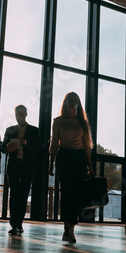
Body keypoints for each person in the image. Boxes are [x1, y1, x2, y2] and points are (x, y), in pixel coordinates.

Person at [48, 92, 94, 243]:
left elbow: (87, 145)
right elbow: (54, 145)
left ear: (78, 104)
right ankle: (66, 228)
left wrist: (90, 165)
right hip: (64, 156)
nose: (72, 103)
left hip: (79, 158)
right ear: (65, 102)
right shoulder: (58, 121)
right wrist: (51, 165)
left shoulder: (82, 122)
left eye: (75, 101)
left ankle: (71, 229)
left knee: (76, 194)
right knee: (66, 193)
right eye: (70, 100)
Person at [1, 105, 41, 236]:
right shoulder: (10, 129)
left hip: (28, 166)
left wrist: (25, 141)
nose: (19, 116)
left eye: (22, 113)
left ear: (26, 114)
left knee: (23, 195)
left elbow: (38, 147)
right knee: (14, 194)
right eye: (17, 113)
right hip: (13, 165)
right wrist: (7, 148)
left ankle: (18, 223)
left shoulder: (34, 130)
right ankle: (14, 224)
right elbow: (3, 148)